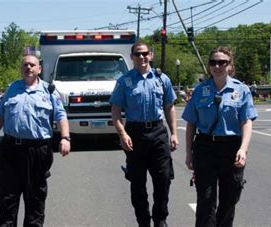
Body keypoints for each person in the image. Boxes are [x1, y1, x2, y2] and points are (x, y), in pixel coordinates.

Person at [0, 54, 71, 227]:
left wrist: (65, 137)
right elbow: (0, 117)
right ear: (21, 68)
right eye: (25, 65)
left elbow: (61, 116)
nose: (28, 68)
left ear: (39, 69)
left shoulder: (49, 91)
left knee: (35, 200)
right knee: (7, 200)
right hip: (10, 150)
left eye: (32, 65)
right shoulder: (12, 89)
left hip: (38, 151)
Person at [182, 46, 258, 227]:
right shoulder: (200, 91)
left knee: (229, 199)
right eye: (213, 62)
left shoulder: (242, 90)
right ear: (209, 66)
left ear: (230, 66)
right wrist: (188, 153)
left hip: (231, 148)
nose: (217, 66)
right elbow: (191, 123)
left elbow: (246, 121)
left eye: (222, 62)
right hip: (205, 148)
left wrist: (243, 149)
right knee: (206, 201)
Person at [110, 42, 179, 227]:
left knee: (163, 179)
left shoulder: (161, 79)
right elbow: (116, 110)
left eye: (145, 54)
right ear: (131, 57)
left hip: (158, 132)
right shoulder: (124, 81)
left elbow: (169, 107)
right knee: (137, 182)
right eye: (138, 54)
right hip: (135, 133)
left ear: (151, 55)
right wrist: (122, 133)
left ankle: (160, 219)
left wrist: (174, 133)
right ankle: (143, 221)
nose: (142, 57)